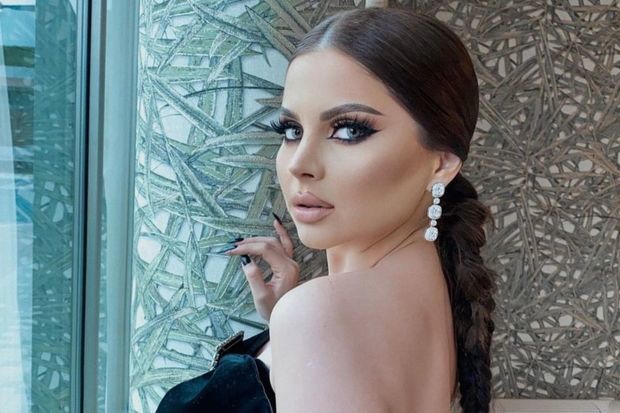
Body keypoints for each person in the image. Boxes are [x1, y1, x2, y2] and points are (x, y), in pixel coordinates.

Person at [157, 6, 498, 413]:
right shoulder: (437, 289)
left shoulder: (324, 315)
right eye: (291, 130)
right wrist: (284, 333)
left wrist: (305, 324)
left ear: (441, 163)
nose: (300, 163)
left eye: (349, 130)